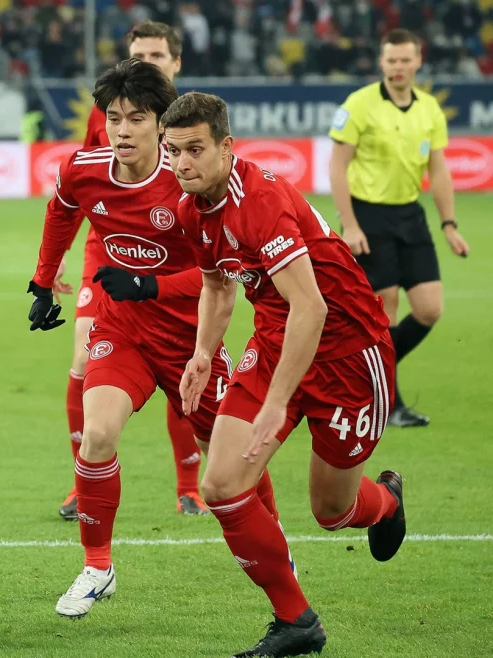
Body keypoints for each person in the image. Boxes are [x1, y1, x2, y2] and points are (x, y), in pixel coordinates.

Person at [28, 60, 281, 620]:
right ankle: (97, 567)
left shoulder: (188, 182)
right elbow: (61, 212)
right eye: (113, 118)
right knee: (97, 435)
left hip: (194, 341)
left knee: (239, 459)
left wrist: (149, 283)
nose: (121, 130)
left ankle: (277, 552)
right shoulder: (84, 170)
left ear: (158, 123)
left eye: (135, 118)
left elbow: (223, 274)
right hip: (124, 332)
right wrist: (43, 280)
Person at [164, 92, 406, 657]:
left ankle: (387, 503)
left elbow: (314, 308)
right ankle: (297, 621)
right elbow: (220, 284)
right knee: (221, 485)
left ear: (226, 147)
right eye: (173, 151)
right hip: (277, 341)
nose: (181, 164)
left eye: (194, 150)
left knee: (332, 511)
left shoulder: (263, 201)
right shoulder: (188, 208)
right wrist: (204, 352)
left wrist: (276, 403)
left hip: (348, 352)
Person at [58, 21, 199, 521]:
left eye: (157, 55)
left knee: (180, 373)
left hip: (170, 265)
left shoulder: (191, 127)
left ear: (175, 63)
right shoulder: (112, 115)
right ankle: (84, 477)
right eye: (139, 53)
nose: (148, 62)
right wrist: (54, 265)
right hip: (109, 252)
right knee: (82, 360)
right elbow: (80, 190)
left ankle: (190, 485)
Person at [328, 28, 469, 428]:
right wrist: (350, 225)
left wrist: (449, 224)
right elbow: (337, 168)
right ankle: (389, 404)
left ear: (418, 61)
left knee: (429, 308)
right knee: (384, 308)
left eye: (406, 60)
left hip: (411, 214)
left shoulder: (429, 109)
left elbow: (438, 171)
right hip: (368, 215)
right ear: (381, 61)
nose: (398, 67)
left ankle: (372, 373)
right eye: (391, 60)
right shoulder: (359, 104)